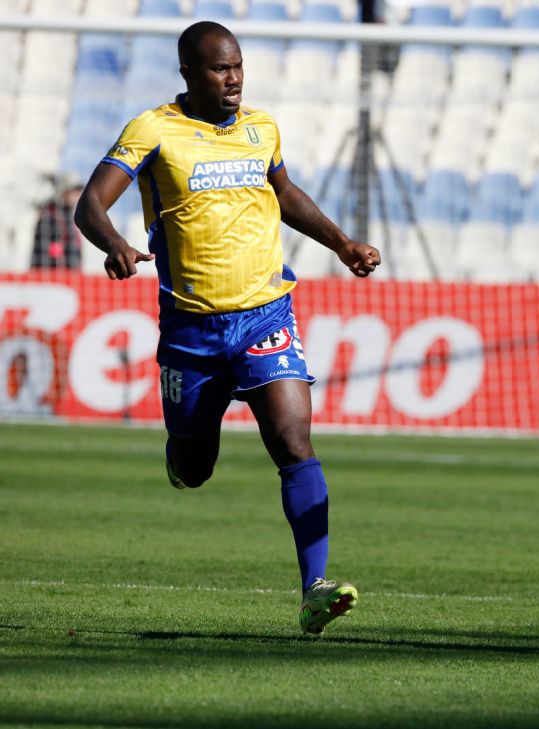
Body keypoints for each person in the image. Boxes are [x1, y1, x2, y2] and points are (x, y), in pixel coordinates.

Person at [73, 21, 381, 635]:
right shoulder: (153, 130)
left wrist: (342, 243)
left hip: (266, 313)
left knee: (293, 441)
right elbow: (90, 204)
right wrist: (114, 244)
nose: (233, 78)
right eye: (220, 69)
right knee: (195, 466)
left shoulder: (261, 128)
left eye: (238, 66)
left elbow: (284, 192)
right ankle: (181, 454)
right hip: (192, 330)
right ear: (189, 73)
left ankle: (314, 588)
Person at [31, 175, 84, 270]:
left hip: (70, 276)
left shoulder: (69, 215)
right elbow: (42, 252)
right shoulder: (49, 214)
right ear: (64, 192)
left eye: (78, 192)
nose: (77, 196)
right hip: (52, 276)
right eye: (74, 191)